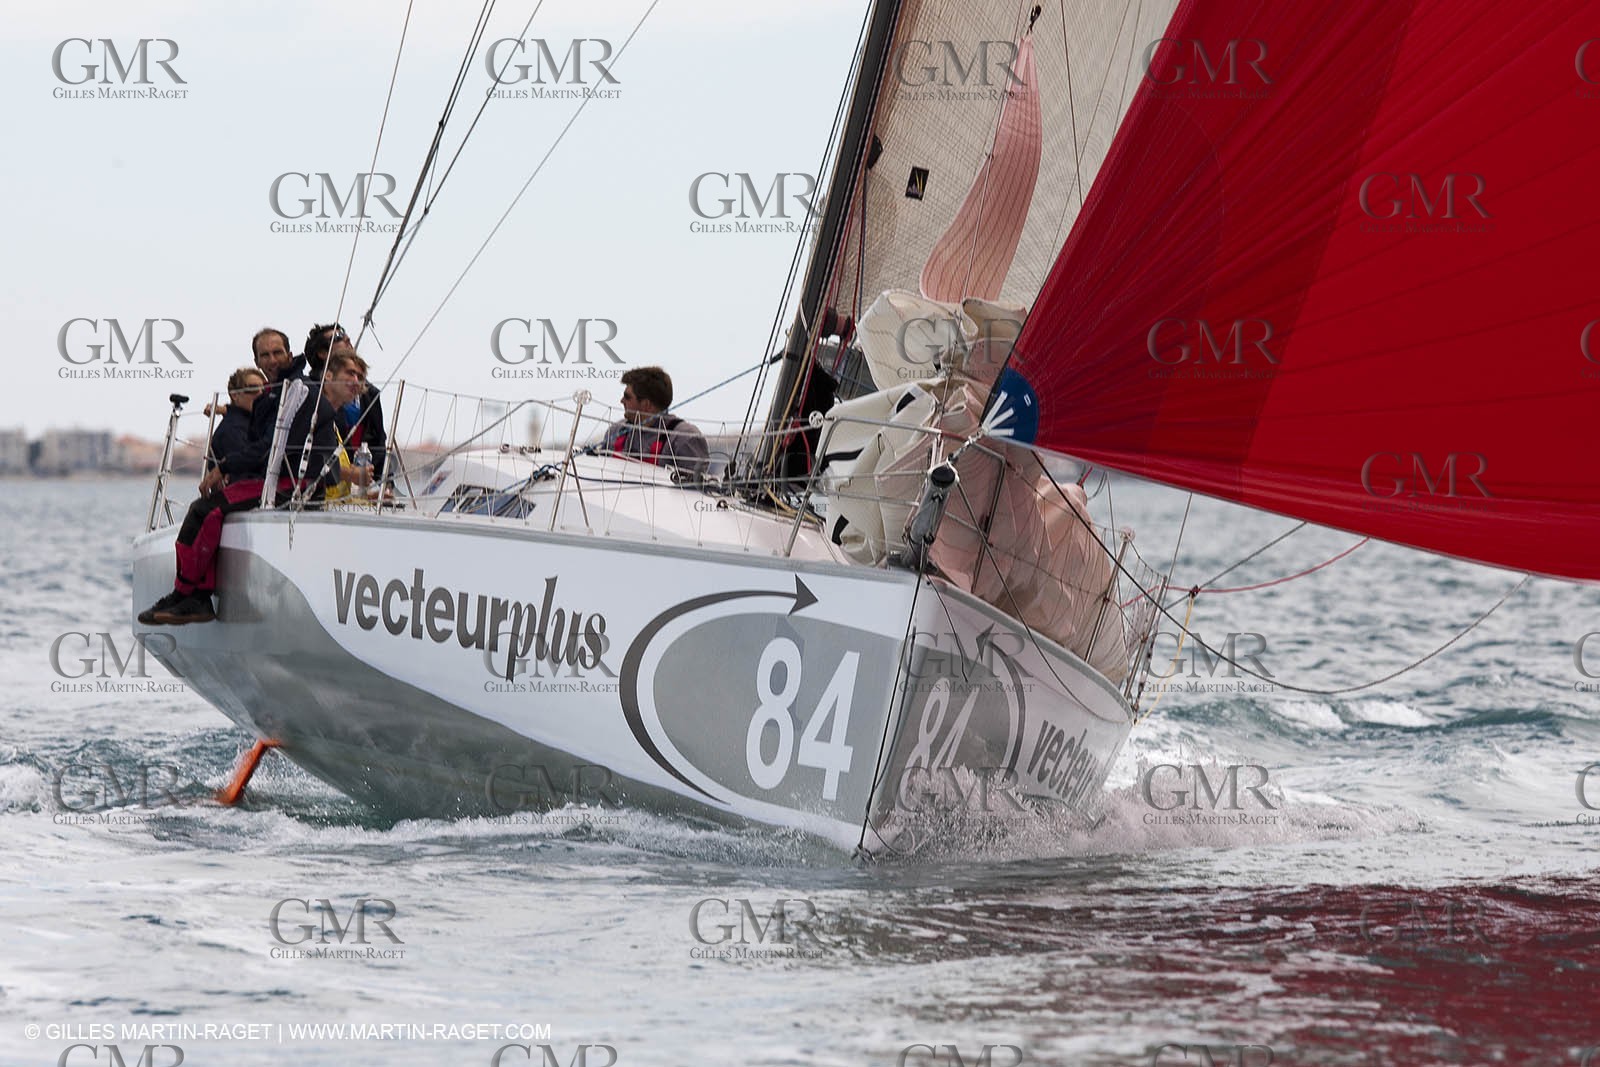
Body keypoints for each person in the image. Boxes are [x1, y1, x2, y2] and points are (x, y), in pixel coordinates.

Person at [138, 351, 369, 625]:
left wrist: (226, 465)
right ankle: (188, 595)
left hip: (290, 484)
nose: (355, 381)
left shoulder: (306, 398)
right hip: (283, 481)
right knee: (205, 511)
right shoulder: (301, 396)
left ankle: (190, 596)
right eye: (349, 374)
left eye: (359, 376)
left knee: (204, 511)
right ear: (328, 376)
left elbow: (285, 450)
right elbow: (273, 446)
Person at [304, 323, 389, 487]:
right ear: (322, 353)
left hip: (358, 486)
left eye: (359, 376)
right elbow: (307, 460)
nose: (347, 339)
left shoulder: (369, 394)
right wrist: (351, 474)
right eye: (338, 338)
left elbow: (378, 442)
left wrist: (381, 485)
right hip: (320, 492)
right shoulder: (308, 395)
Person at [600, 366, 709, 477]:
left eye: (627, 397)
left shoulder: (684, 438)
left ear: (646, 404)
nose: (621, 401)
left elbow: (694, 489)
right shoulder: (615, 431)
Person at [206, 367, 267, 472]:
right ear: (235, 395)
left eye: (265, 390)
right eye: (253, 389)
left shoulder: (253, 424)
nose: (261, 393)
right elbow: (245, 470)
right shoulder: (233, 430)